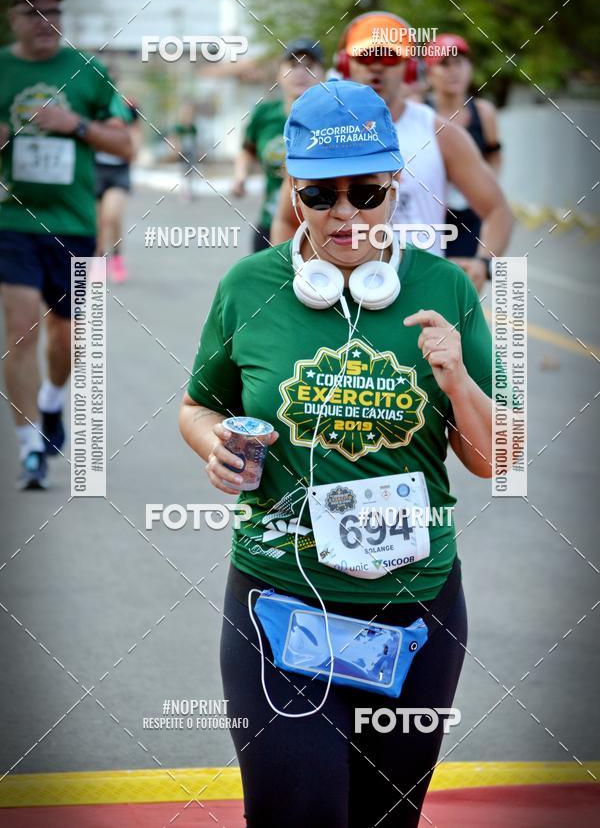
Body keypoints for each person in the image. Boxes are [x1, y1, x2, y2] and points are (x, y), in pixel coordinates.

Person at [180, 80, 496, 827]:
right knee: (303, 814)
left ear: (396, 185)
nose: (347, 216)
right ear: (293, 192)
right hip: (279, 604)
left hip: (415, 610)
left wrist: (455, 379)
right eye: (322, 197)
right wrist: (214, 444)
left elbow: (496, 455)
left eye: (367, 193)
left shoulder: (445, 289)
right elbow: (199, 404)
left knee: (385, 820)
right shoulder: (248, 287)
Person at [0, 0, 133, 489]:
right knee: (20, 326)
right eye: (34, 13)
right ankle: (30, 446)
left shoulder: (88, 72)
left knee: (71, 338)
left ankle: (52, 403)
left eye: (54, 13)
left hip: (73, 223)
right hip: (11, 218)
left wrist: (74, 125)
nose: (46, 23)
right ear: (14, 18)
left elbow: (125, 147)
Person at [271, 12, 512, 290]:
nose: (376, 67)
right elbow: (286, 219)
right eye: (365, 57)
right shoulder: (317, 132)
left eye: (388, 57)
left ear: (409, 68)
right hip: (337, 297)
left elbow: (497, 209)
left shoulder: (439, 133)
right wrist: (295, 280)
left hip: (423, 292)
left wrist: (482, 262)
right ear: (346, 65)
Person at [231, 38, 325, 252]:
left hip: (319, 232)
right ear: (279, 74)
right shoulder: (265, 114)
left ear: (323, 74)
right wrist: (240, 176)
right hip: (271, 222)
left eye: (309, 66)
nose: (300, 73)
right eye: (292, 66)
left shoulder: (334, 118)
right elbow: (247, 150)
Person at [425, 33, 503, 258]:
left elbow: (494, 156)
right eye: (444, 64)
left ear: (469, 67)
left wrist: (484, 186)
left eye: (459, 62)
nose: (453, 71)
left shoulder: (484, 112)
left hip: (470, 214)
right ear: (430, 73)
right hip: (431, 214)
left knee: (467, 282)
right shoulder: (421, 112)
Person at [95, 94, 142, 282]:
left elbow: (136, 144)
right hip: (97, 170)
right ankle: (99, 261)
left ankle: (116, 256)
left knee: (111, 216)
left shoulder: (127, 108)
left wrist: (129, 143)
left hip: (119, 172)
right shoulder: (97, 106)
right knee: (99, 222)